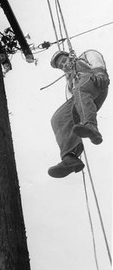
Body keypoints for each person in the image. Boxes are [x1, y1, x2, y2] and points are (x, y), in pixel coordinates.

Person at [48, 49, 110, 178]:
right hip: (82, 97)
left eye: (64, 61)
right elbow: (72, 99)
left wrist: (100, 72)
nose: (64, 66)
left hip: (94, 81)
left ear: (70, 56)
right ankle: (70, 157)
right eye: (61, 66)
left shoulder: (84, 57)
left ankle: (91, 126)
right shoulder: (69, 81)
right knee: (58, 118)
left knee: (80, 90)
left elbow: (95, 57)